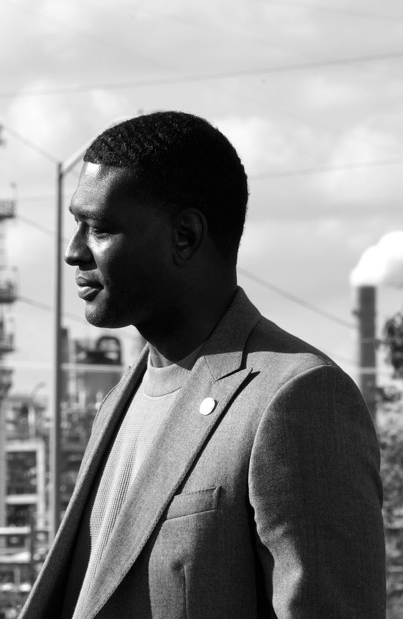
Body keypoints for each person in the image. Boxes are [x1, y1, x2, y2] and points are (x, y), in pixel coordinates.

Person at [19, 111, 384, 618]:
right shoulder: (121, 399)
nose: (73, 251)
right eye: (75, 225)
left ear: (185, 236)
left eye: (98, 228)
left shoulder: (296, 397)